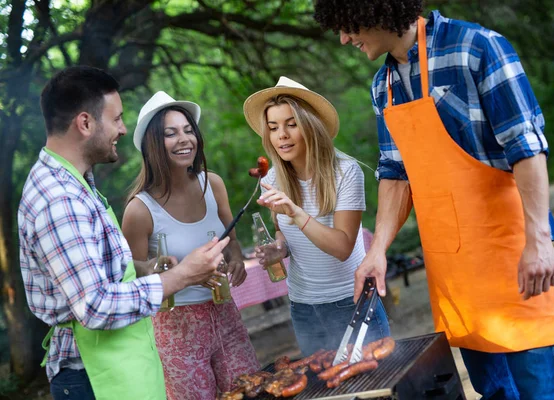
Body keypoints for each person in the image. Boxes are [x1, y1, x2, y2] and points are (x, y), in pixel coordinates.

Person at [314, 1, 554, 399]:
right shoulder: (382, 86)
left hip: (511, 255)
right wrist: (378, 250)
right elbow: (395, 175)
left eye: (347, 25)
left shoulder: (477, 47)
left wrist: (539, 239)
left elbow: (526, 148)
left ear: (375, 9)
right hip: (452, 268)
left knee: (542, 388)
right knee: (494, 391)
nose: (344, 38)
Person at [17, 66, 230, 400]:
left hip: (117, 367)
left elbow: (96, 276)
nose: (123, 129)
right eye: (116, 119)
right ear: (85, 123)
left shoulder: (76, 184)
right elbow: (95, 306)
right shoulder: (59, 199)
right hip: (91, 377)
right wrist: (182, 277)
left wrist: (142, 270)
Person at [121, 91, 260, 399]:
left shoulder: (214, 184)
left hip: (226, 315)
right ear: (153, 145)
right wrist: (161, 270)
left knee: (253, 393)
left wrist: (235, 259)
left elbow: (231, 242)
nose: (184, 139)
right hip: (175, 331)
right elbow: (131, 279)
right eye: (171, 133)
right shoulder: (139, 210)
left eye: (188, 130)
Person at [243, 77, 390, 357]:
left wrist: (296, 212)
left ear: (310, 125)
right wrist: (279, 248)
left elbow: (343, 247)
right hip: (303, 308)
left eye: (291, 124)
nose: (281, 135)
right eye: (273, 128)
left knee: (376, 387)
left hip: (352, 301)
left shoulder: (345, 172)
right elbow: (282, 230)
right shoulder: (273, 177)